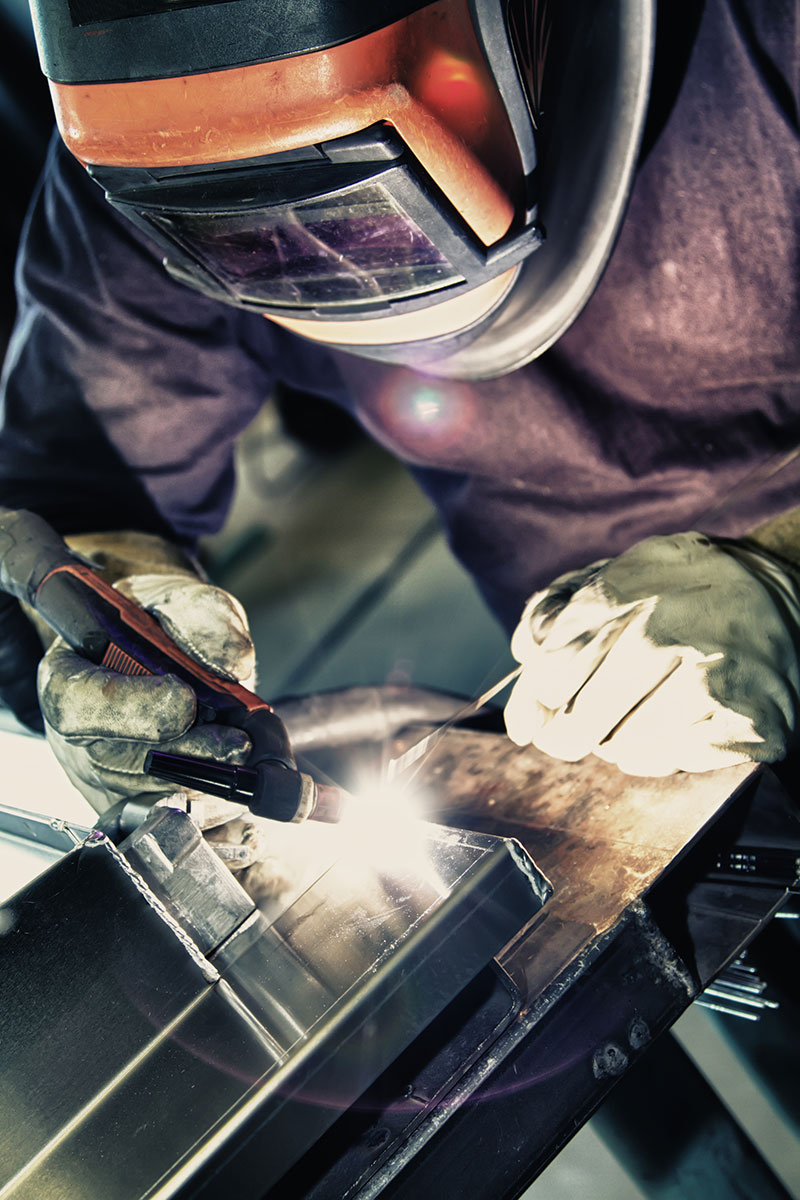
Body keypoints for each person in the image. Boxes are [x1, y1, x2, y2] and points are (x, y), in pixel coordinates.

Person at [1, 0, 799, 822]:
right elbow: (73, 503)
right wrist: (124, 633)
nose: (325, 256)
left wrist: (785, 581)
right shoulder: (141, 142)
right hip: (583, 697)